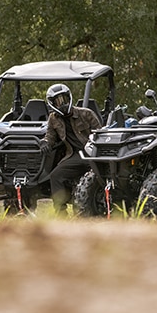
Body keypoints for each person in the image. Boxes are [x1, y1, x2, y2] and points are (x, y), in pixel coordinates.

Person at [39, 83, 101, 215]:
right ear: (52, 104)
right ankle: (61, 213)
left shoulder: (86, 114)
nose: (63, 104)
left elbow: (101, 135)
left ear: (70, 98)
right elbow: (50, 136)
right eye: (58, 101)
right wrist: (44, 143)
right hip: (74, 156)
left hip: (93, 154)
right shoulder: (53, 119)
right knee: (55, 176)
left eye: (64, 99)